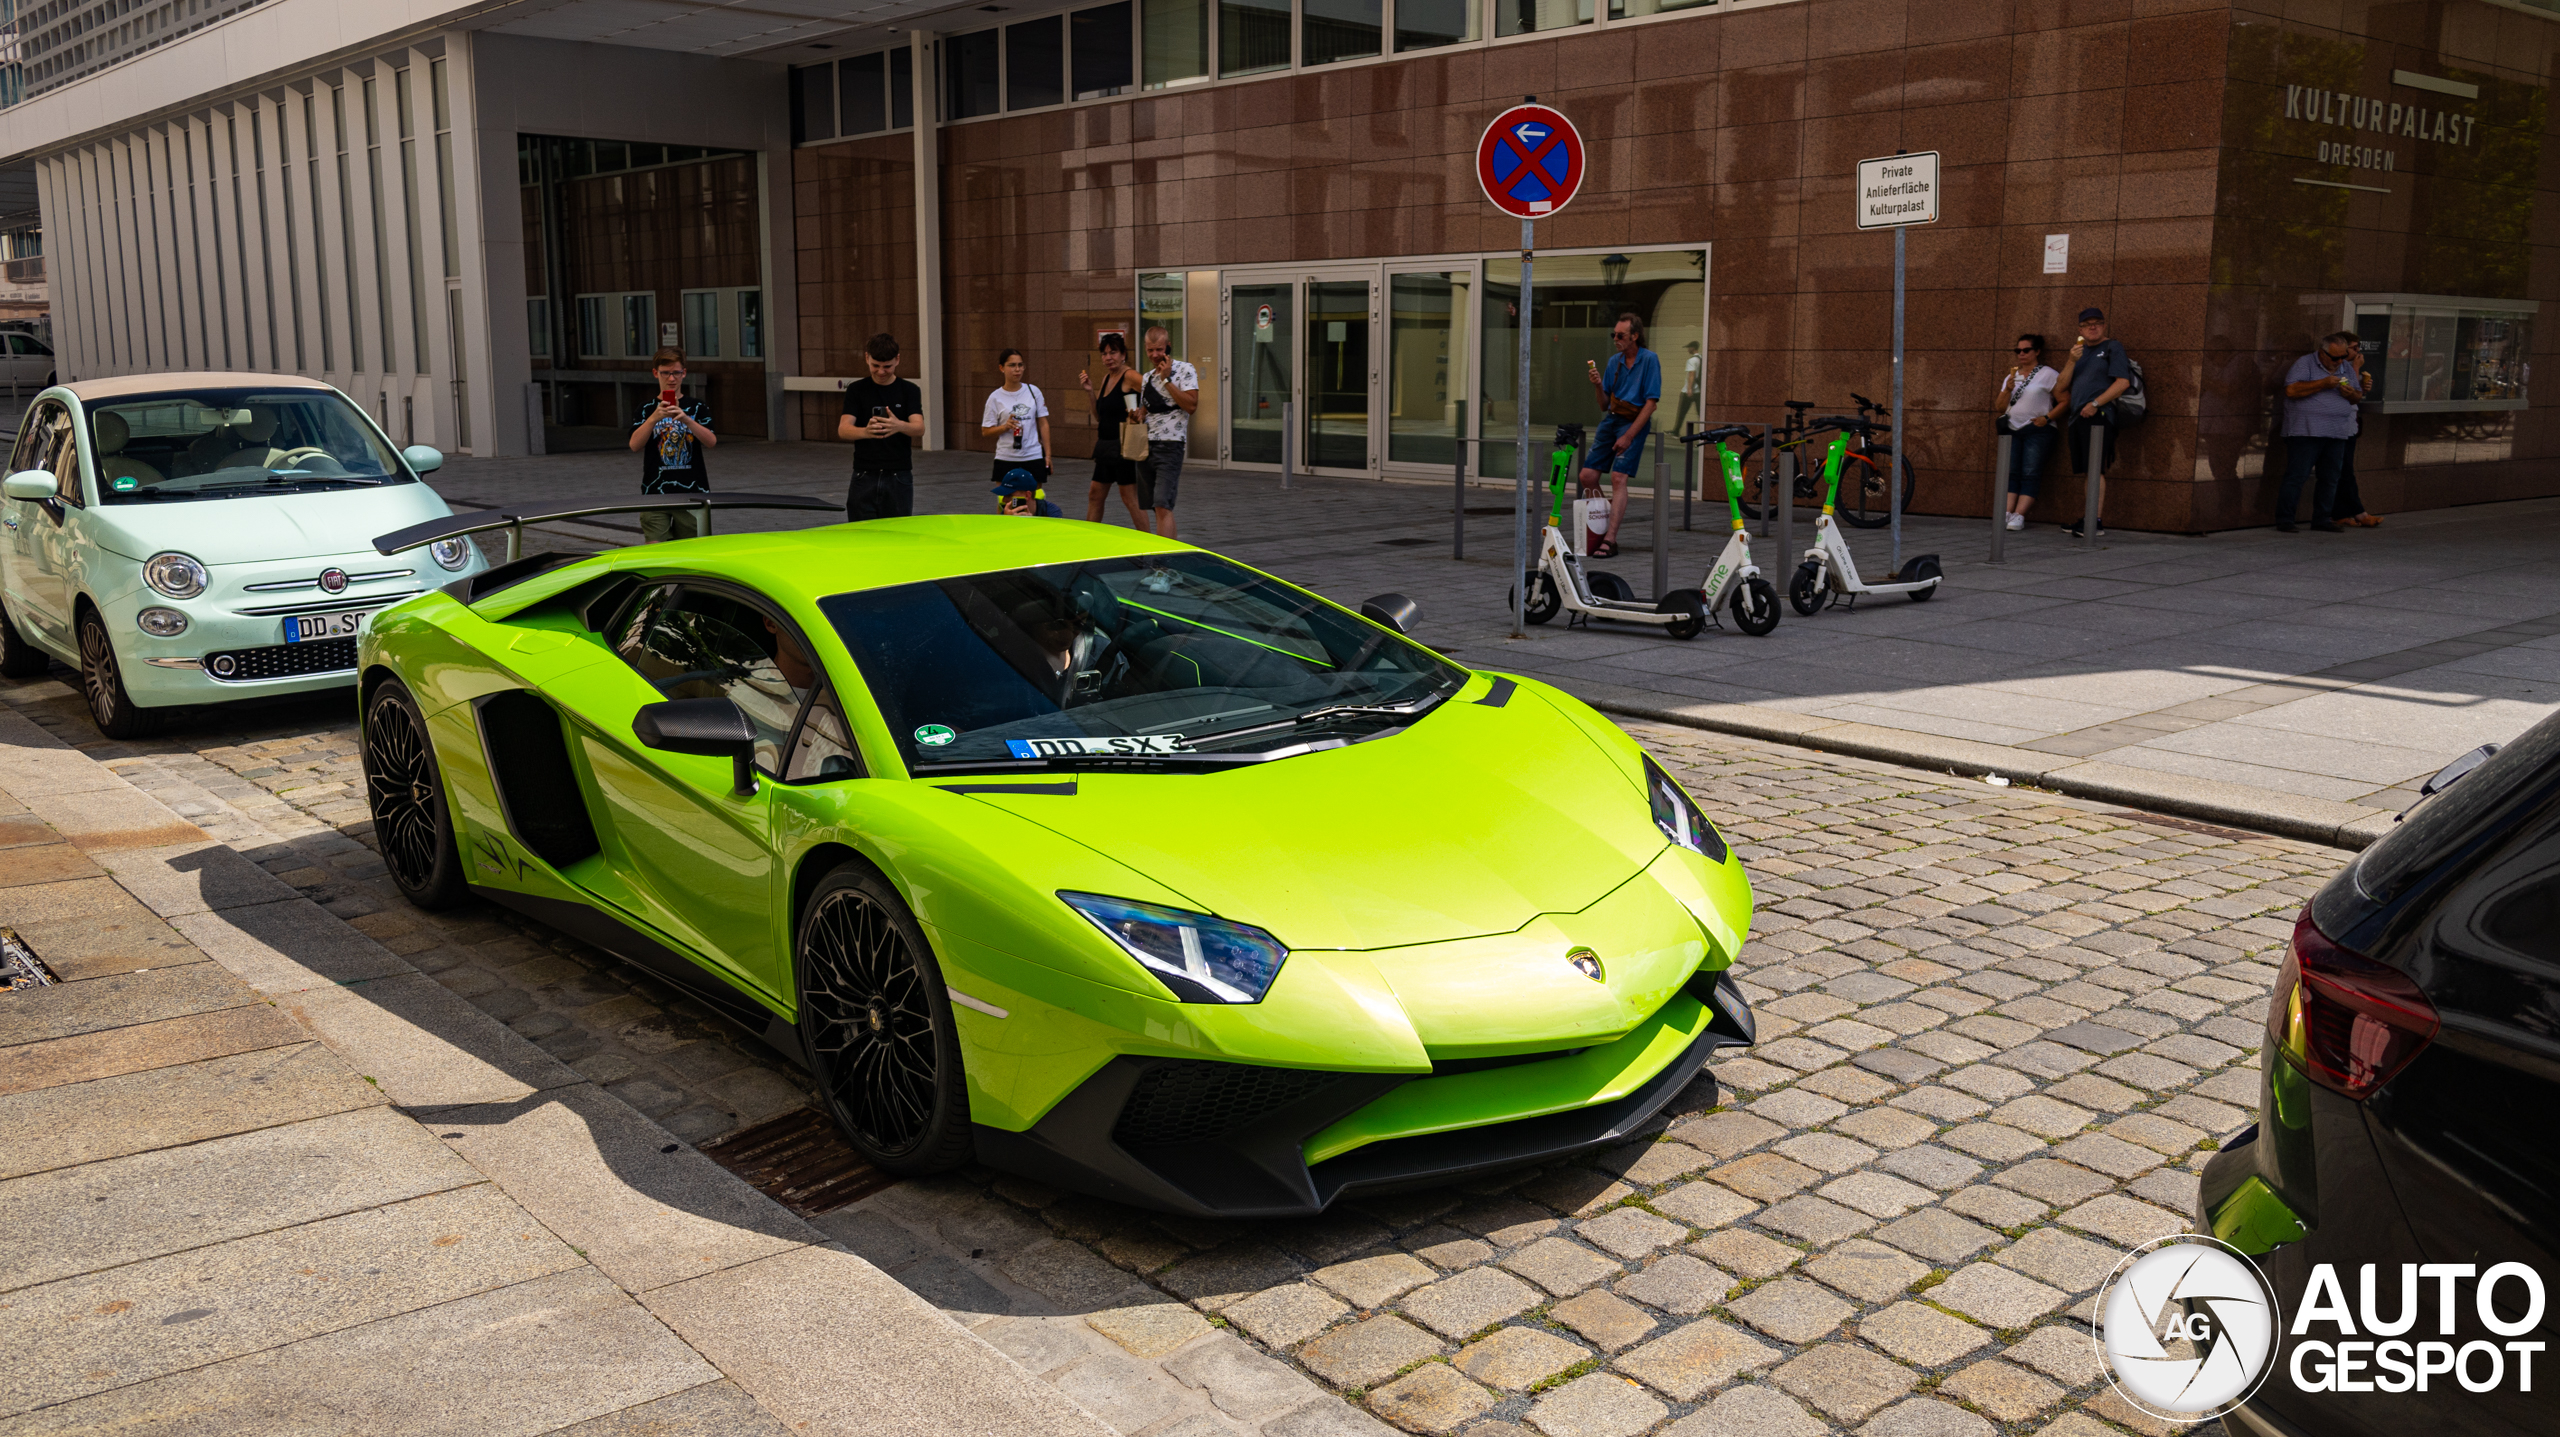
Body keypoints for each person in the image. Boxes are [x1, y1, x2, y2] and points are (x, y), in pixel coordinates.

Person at [1578, 312, 1661, 558]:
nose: (1616, 338)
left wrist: (1629, 436)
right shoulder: (1614, 361)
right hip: (1613, 419)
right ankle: (1602, 524)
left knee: (1618, 477)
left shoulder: (1649, 360)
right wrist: (1596, 385)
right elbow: (1604, 405)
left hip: (1633, 421)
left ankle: (1610, 539)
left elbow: (1651, 404)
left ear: (1635, 336)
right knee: (1587, 475)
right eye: (1613, 334)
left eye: (1620, 335)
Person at [2048, 306, 2133, 538]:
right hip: (2078, 418)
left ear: (2104, 325)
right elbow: (2060, 387)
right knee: (2088, 470)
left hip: (2099, 416)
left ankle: (2095, 522)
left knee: (2095, 469)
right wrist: (2070, 360)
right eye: (2087, 324)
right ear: (2080, 329)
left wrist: (2095, 404)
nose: (2092, 327)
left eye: (2097, 323)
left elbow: (2122, 382)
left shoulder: (2112, 347)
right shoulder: (2079, 352)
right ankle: (2087, 518)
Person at [2276, 330, 2364, 533]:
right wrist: (2323, 383)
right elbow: (2291, 390)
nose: (2339, 361)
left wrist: (2352, 393)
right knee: (2297, 476)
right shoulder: (2305, 364)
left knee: (2330, 477)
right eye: (2335, 358)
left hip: (2336, 432)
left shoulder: (2345, 367)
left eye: (2343, 357)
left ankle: (2322, 518)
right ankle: (2285, 519)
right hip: (2306, 431)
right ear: (2322, 353)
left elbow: (2357, 396)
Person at [626, 347, 717, 543]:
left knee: (693, 549)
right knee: (656, 549)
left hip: (692, 491)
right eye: (665, 373)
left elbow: (711, 441)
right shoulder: (646, 409)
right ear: (655, 373)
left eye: (676, 372)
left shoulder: (697, 406)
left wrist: (686, 420)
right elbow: (634, 445)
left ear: (684, 373)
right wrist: (653, 418)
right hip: (655, 491)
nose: (671, 378)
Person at [837, 332, 925, 521]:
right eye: (875, 366)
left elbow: (919, 428)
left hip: (898, 474)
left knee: (897, 534)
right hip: (864, 473)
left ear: (897, 360)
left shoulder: (909, 390)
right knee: (860, 533)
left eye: (887, 367)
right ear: (867, 357)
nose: (881, 372)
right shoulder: (856, 389)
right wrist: (866, 432)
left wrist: (898, 425)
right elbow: (843, 429)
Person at [1077, 333, 1151, 531]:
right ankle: (1090, 540)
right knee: (1095, 494)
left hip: (1123, 446)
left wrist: (1142, 412)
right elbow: (1100, 416)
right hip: (1106, 446)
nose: (1108, 357)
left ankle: (1149, 545)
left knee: (1129, 497)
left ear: (1123, 354)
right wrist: (1090, 391)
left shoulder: (1129, 376)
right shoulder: (1107, 378)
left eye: (1113, 352)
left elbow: (1154, 390)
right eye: (1104, 353)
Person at [1138, 326, 1200, 541]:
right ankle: (1167, 559)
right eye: (1150, 350)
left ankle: (1161, 566)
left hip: (1170, 445)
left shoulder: (1185, 370)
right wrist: (1136, 415)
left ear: (1168, 347)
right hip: (1146, 447)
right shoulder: (1146, 378)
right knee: (1156, 507)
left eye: (1159, 349)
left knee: (1163, 504)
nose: (1154, 355)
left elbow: (1191, 405)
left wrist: (1166, 380)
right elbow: (1145, 412)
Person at [1997, 334, 2058, 531]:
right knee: (2012, 471)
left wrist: (2047, 418)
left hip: (2036, 429)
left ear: (2037, 351)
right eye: (2018, 351)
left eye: (2026, 350)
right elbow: (1999, 406)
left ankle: (2019, 514)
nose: (2021, 354)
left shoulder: (2047, 374)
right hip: (2012, 428)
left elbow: (2065, 400)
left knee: (2030, 472)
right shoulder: (2011, 376)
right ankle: (2006, 512)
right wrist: (2007, 389)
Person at [980, 347, 1053, 496]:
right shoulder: (995, 397)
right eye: (1012, 365)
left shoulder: (1033, 391)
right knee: (1005, 501)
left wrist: (1048, 455)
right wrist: (1005, 427)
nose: (1017, 369)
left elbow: (1043, 423)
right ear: (1002, 368)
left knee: (1034, 499)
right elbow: (986, 431)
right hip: (1006, 457)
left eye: (1020, 365)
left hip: (1032, 455)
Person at [2326, 338, 2381, 527]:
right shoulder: (2341, 368)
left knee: (2343, 470)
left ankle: (2342, 512)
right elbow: (2349, 393)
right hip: (2338, 426)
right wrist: (2356, 369)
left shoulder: (2347, 368)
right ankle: (2357, 511)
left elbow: (2356, 393)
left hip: (2348, 425)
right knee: (2343, 471)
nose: (2358, 352)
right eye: (2354, 348)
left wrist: (2363, 387)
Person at [1671, 340, 1701, 438]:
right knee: (1700, 414)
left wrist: (1689, 389)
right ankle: (1702, 432)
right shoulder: (1701, 358)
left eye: (1689, 347)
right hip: (1699, 391)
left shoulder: (1691, 360)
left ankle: (1676, 431)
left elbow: (1691, 374)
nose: (1688, 349)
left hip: (1689, 391)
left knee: (1682, 413)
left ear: (1693, 348)